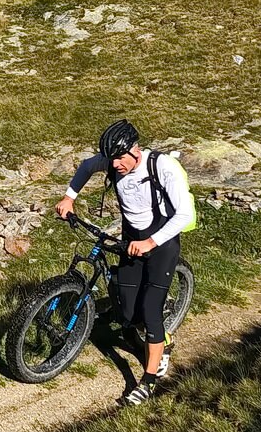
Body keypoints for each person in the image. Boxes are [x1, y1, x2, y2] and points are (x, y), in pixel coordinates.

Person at [55, 120, 195, 405]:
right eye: (112, 159)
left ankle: (148, 379)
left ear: (135, 150)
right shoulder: (111, 162)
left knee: (150, 309)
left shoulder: (161, 167)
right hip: (132, 240)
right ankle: (155, 338)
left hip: (162, 243)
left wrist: (150, 243)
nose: (115, 164)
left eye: (120, 158)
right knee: (128, 311)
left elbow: (183, 215)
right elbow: (85, 167)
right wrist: (69, 198)